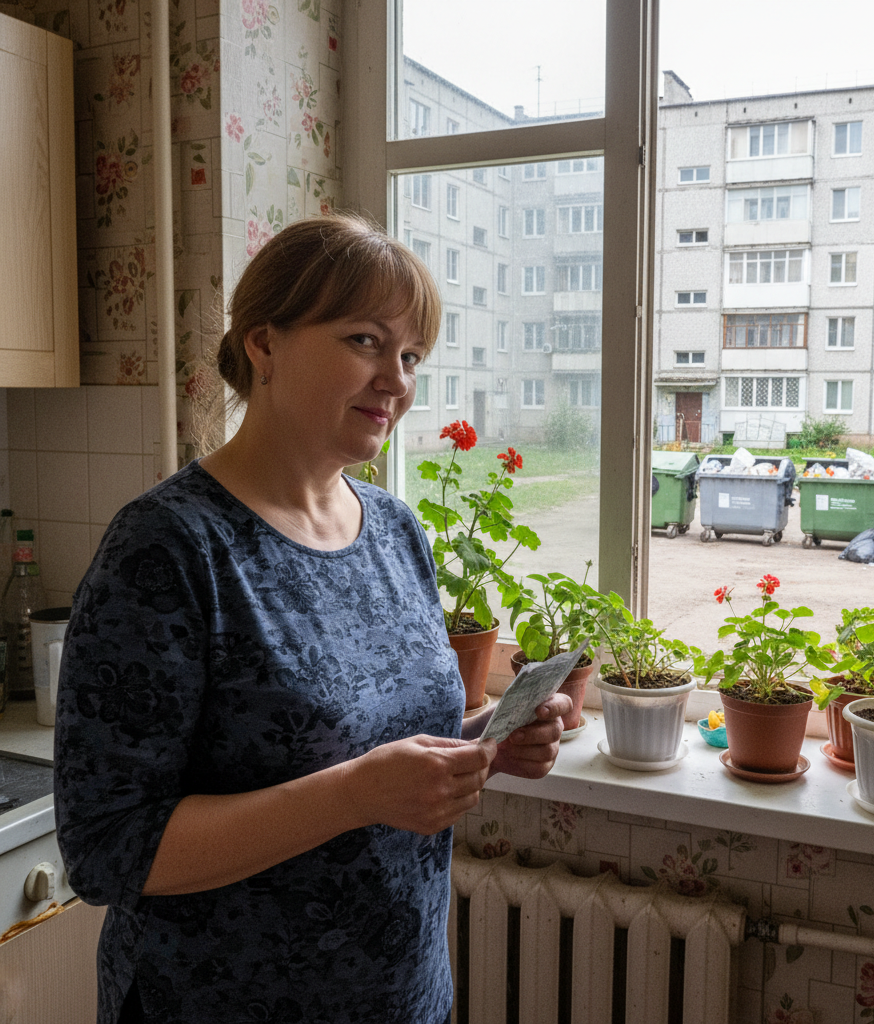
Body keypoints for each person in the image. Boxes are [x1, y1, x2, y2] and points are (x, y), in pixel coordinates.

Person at [53, 212, 572, 1024]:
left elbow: (372, 747)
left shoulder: (394, 529)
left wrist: (485, 747)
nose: (397, 381)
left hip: (405, 998)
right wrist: (356, 794)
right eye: (365, 340)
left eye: (410, 356)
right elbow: (107, 848)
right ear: (264, 344)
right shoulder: (170, 548)